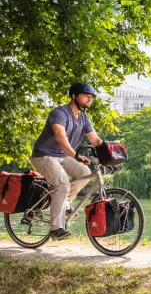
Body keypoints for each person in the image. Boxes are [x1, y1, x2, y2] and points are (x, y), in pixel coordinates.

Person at [30, 83, 104, 240]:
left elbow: (96, 140)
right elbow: (60, 138)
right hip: (43, 155)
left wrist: (110, 154)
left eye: (91, 98)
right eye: (86, 96)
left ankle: (66, 202)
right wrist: (76, 155)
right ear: (74, 96)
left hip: (61, 156)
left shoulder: (83, 117)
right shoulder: (59, 113)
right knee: (63, 184)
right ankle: (55, 228)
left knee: (85, 172)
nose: (89, 99)